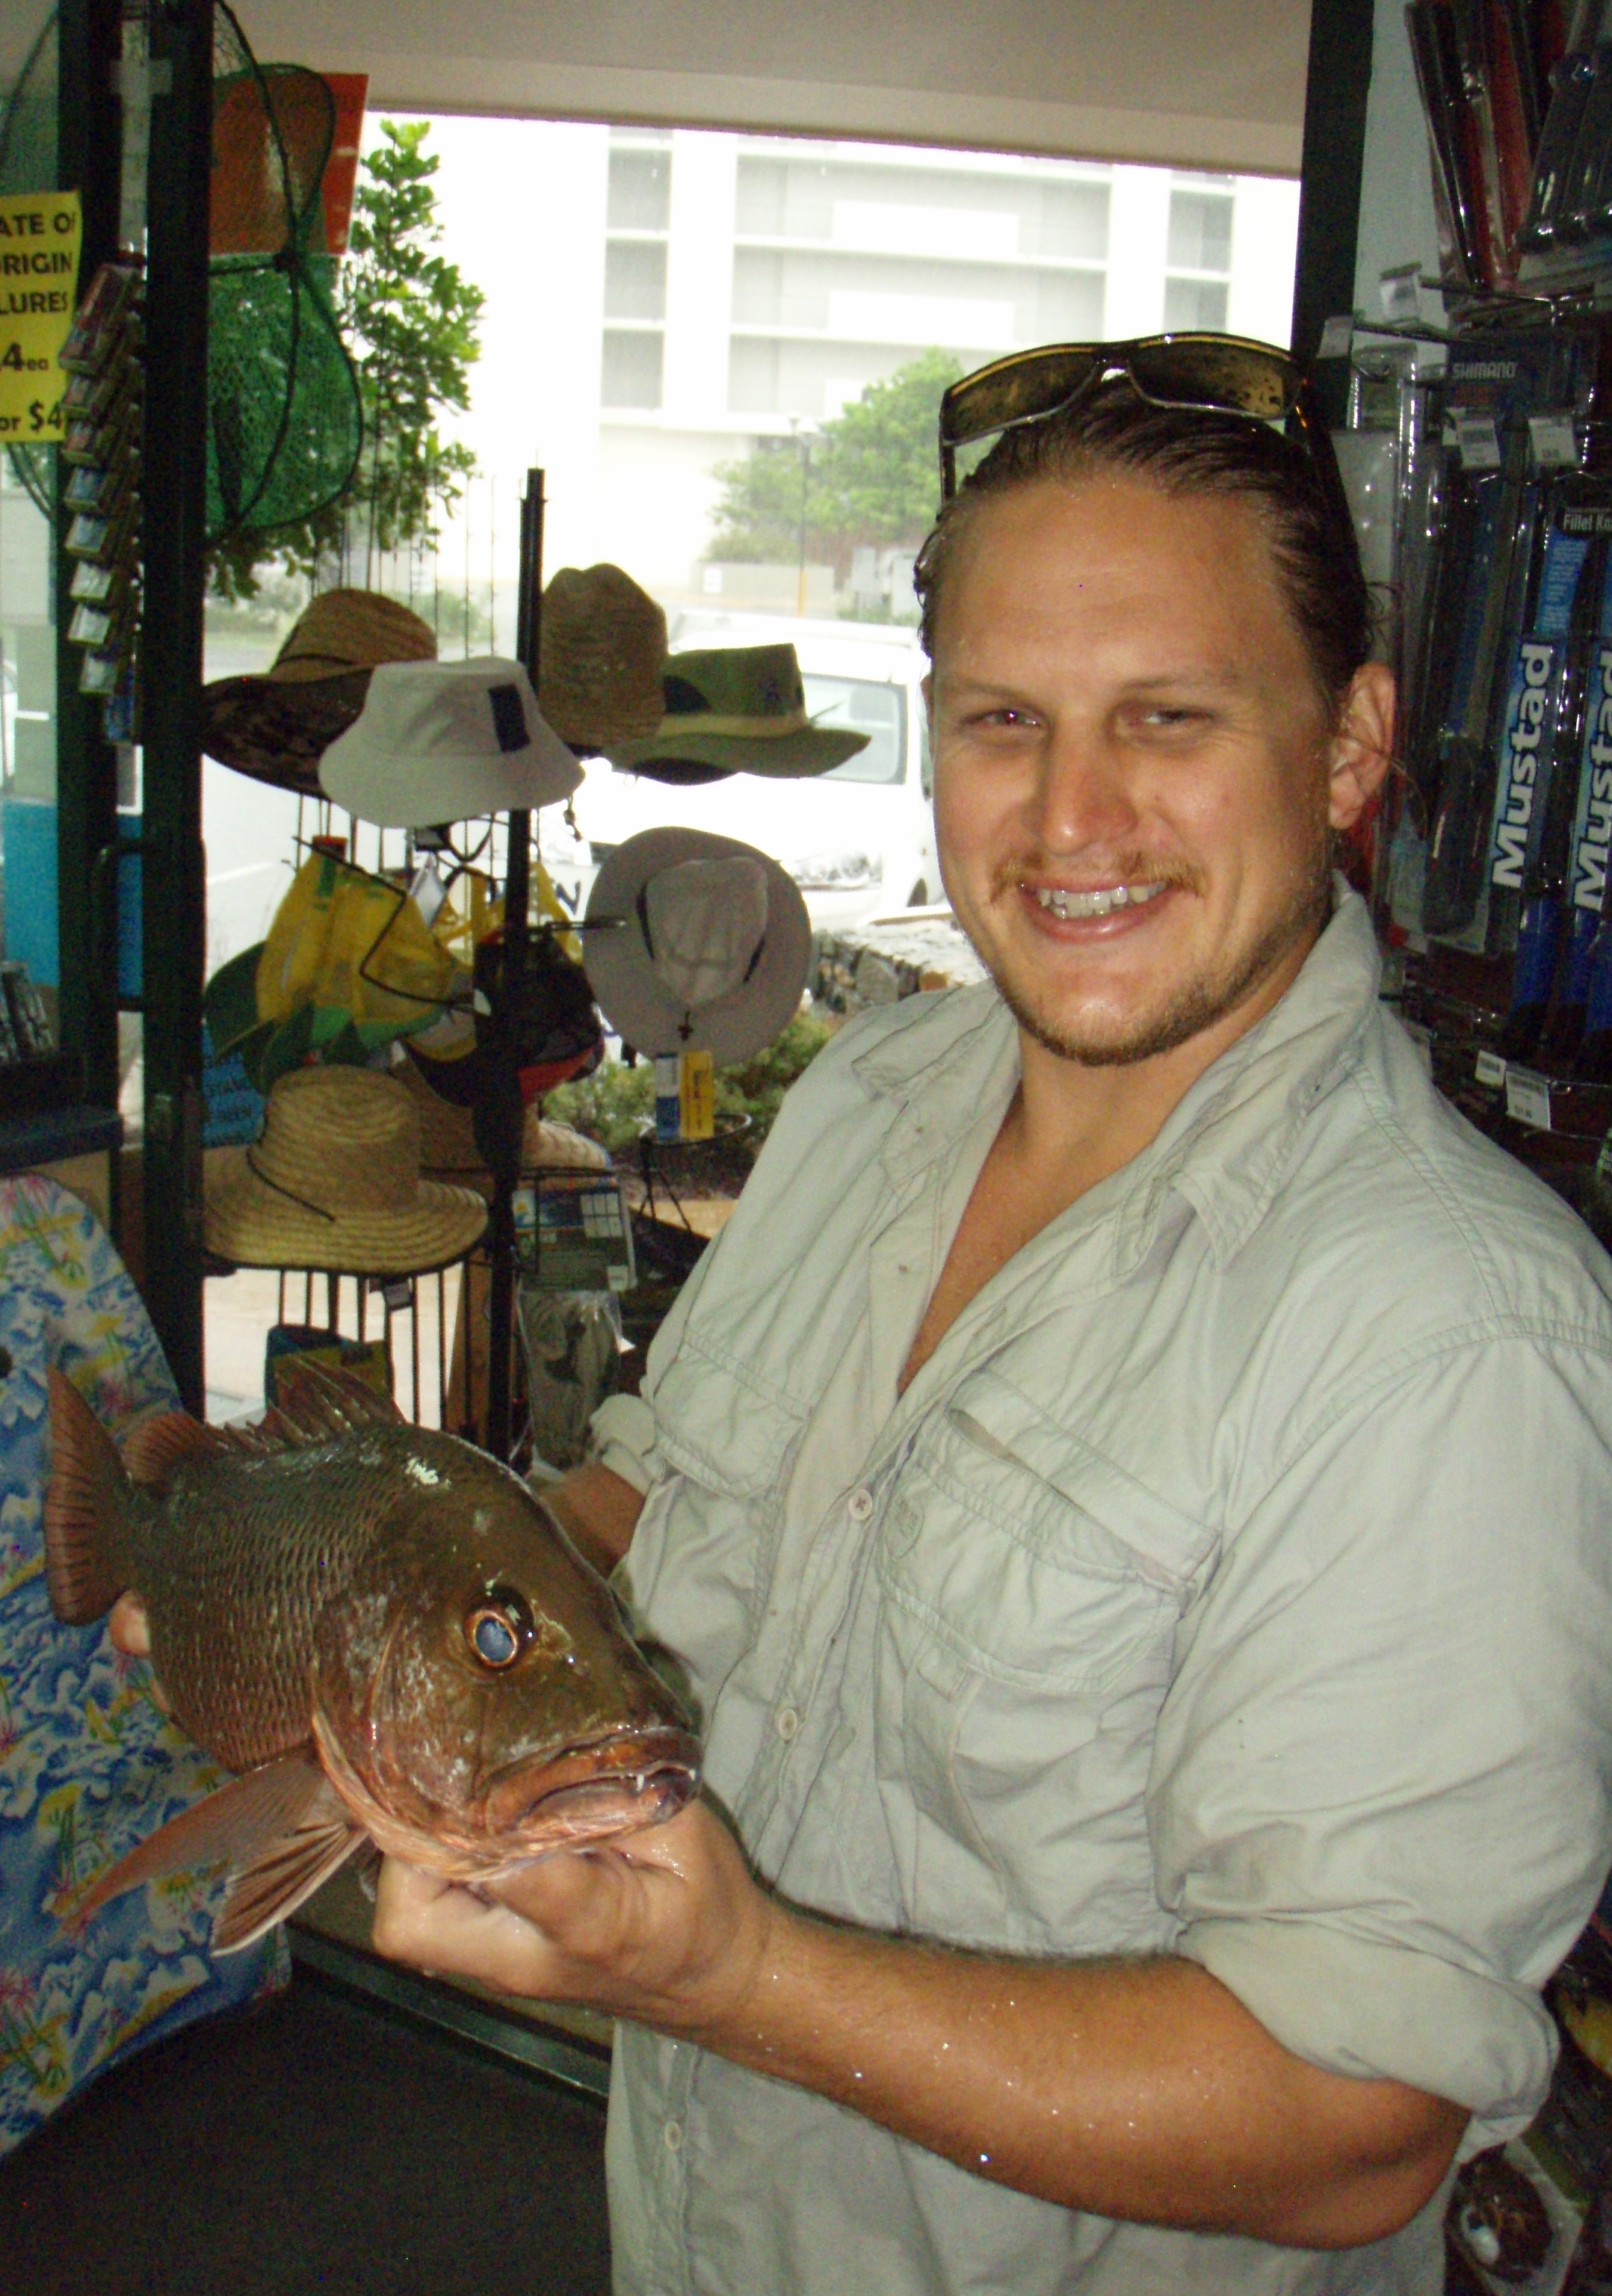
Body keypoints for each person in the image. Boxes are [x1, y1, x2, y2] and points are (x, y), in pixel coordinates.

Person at [118, 345, 1612, 2294]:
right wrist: (355, 1605)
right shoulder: (873, 1099)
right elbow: (645, 1510)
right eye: (1004, 721)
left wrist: (732, 1977)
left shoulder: (1455, 1336)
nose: (1073, 815)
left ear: (1347, 747)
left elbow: (1353, 2123)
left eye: (1166, 717)